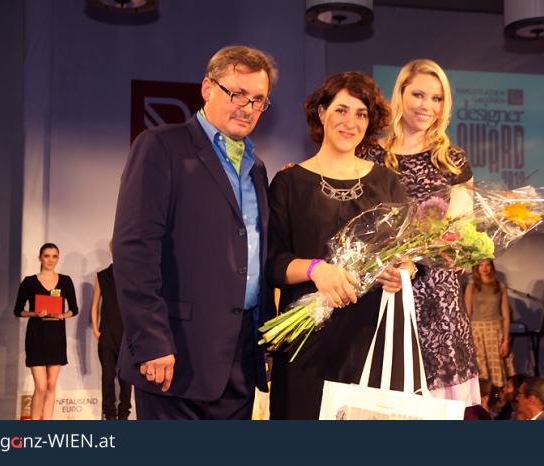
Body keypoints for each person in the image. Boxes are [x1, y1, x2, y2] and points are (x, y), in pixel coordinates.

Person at [112, 45, 278, 420]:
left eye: (258, 100)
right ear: (207, 88)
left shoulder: (257, 168)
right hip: (174, 355)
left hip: (240, 358)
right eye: (237, 94)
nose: (248, 107)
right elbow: (134, 250)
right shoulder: (160, 146)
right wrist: (151, 341)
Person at [267, 71, 409, 419]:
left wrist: (403, 272)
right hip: (305, 342)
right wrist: (317, 270)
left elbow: (407, 255)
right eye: (341, 110)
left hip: (371, 340)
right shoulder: (288, 183)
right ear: (321, 113)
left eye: (361, 114)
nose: (351, 122)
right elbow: (272, 262)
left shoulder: (387, 183)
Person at [360, 58, 479, 405]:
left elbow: (462, 233)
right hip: (384, 292)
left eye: (437, 98)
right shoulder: (370, 155)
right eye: (419, 95)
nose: (427, 106)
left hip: (438, 303)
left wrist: (456, 252)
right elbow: (358, 227)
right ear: (400, 93)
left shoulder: (452, 160)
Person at [13, 243, 78, 420]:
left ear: (58, 258)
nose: (50, 260)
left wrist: (63, 315)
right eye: (47, 256)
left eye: (54, 256)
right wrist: (34, 313)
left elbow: (74, 309)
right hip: (36, 336)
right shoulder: (29, 282)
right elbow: (18, 310)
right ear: (40, 258)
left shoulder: (65, 281)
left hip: (56, 337)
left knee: (51, 386)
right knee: (40, 386)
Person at [90, 247, 131, 420]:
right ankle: (109, 413)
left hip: (127, 334)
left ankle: (124, 413)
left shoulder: (131, 274)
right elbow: (95, 305)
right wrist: (96, 329)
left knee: (126, 377)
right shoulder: (103, 276)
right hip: (107, 334)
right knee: (107, 376)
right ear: (111, 251)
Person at [465, 259, 515, 388]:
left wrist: (506, 340)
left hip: (495, 330)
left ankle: (498, 397)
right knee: (481, 368)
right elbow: (467, 314)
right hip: (477, 330)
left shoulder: (499, 286)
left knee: (497, 368)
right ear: (476, 268)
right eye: (481, 265)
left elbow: (506, 315)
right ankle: (484, 397)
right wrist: (467, 338)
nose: (484, 268)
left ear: (492, 267)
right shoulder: (471, 286)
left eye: (487, 264)